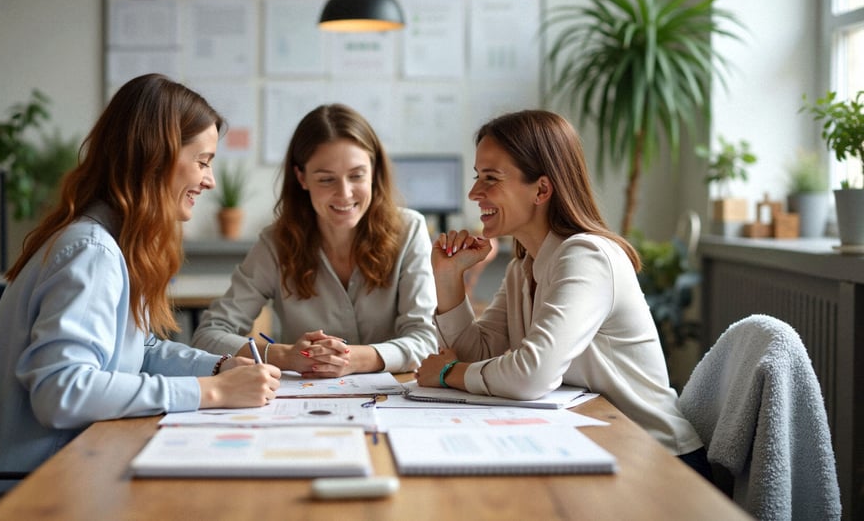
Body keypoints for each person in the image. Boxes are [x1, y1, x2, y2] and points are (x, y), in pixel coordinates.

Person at [0, 73, 281, 493]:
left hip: (62, 473)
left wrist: (219, 367)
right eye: (202, 161)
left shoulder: (108, 241)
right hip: (31, 493)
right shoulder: (92, 251)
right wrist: (212, 392)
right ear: (156, 157)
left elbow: (137, 351)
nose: (210, 180)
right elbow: (62, 391)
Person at [415, 110, 709, 475]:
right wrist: (448, 277)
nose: (475, 192)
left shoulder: (587, 257)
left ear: (541, 189)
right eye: (477, 177)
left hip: (659, 460)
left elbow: (530, 374)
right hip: (592, 447)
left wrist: (449, 374)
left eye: (490, 178)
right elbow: (480, 352)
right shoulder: (523, 267)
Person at [191, 103, 438, 377]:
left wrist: (358, 359)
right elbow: (208, 335)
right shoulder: (276, 243)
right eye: (326, 180)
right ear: (302, 178)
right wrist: (284, 355)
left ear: (374, 171)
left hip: (393, 403)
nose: (344, 193)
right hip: (306, 403)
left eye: (357, 175)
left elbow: (426, 341)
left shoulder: (410, 230)